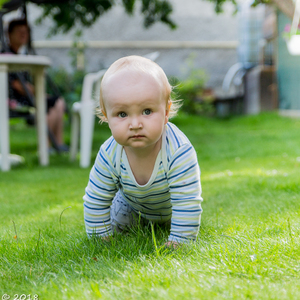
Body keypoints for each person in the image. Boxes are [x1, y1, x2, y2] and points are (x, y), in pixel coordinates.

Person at [83, 55, 203, 247]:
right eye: (122, 114)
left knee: (183, 218)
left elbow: (186, 201)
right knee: (118, 216)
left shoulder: (178, 150)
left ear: (165, 112)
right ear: (106, 117)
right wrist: (101, 239)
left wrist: (179, 240)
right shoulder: (109, 154)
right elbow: (96, 199)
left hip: (173, 208)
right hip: (131, 207)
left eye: (147, 111)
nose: (135, 124)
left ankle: (174, 228)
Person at [6, 18, 68, 152]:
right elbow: (16, 85)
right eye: (19, 32)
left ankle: (58, 143)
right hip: (14, 99)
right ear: (9, 34)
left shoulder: (20, 55)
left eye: (25, 32)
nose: (23, 35)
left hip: (26, 96)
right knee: (49, 104)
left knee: (59, 103)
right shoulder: (6, 56)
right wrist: (37, 92)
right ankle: (45, 146)